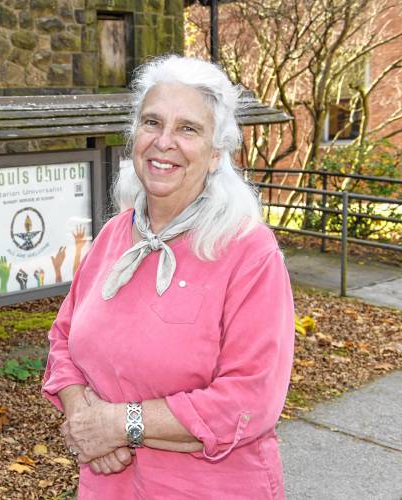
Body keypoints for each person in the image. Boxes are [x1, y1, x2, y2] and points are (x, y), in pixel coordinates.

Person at [42, 55, 295, 499]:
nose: (164, 142)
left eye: (188, 129)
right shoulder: (115, 236)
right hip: (108, 486)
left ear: (217, 153)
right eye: (152, 122)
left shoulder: (248, 253)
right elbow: (63, 337)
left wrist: (121, 425)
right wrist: (85, 419)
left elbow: (249, 401)